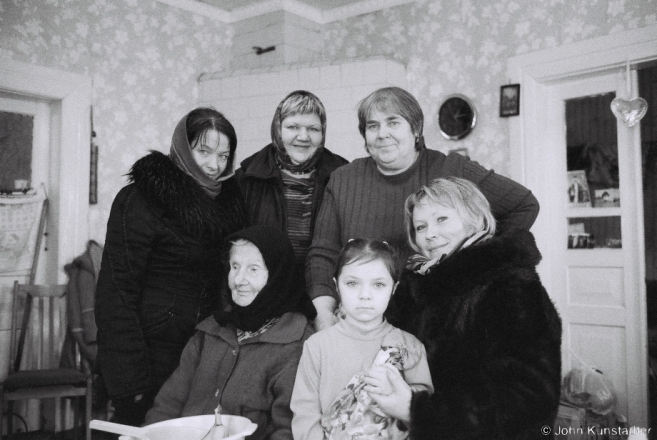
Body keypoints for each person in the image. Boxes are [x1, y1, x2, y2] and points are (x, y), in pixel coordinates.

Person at [307, 86, 541, 330]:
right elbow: (323, 254)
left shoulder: (452, 168)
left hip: (434, 319)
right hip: (360, 318)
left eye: (393, 122)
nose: (382, 133)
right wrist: (323, 312)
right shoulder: (343, 180)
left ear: (416, 129)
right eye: (372, 126)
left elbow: (524, 205)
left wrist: (475, 259)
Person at [364, 177, 562, 440]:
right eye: (420, 226)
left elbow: (529, 403)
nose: (430, 234)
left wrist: (415, 410)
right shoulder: (421, 284)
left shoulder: (510, 285)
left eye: (442, 219)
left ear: (476, 218)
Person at [95, 108, 247, 426]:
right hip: (147, 359)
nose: (214, 164)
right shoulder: (140, 199)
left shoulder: (229, 205)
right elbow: (116, 294)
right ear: (182, 146)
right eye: (203, 150)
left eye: (223, 155)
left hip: (201, 354)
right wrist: (129, 382)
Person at [145, 226, 316, 440]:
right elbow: (169, 404)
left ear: (278, 275)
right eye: (235, 266)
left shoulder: (297, 344)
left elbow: (288, 430)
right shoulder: (211, 331)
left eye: (253, 269)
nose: (238, 280)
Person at [291, 239, 433, 440]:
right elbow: (305, 418)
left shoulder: (410, 347)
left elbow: (423, 418)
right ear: (336, 286)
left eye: (378, 285)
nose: (365, 295)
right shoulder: (317, 346)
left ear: (394, 288)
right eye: (352, 283)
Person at [235, 90, 347, 266]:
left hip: (322, 289)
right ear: (278, 129)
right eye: (293, 127)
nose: (303, 137)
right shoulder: (247, 178)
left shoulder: (342, 176)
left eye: (313, 129)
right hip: (268, 289)